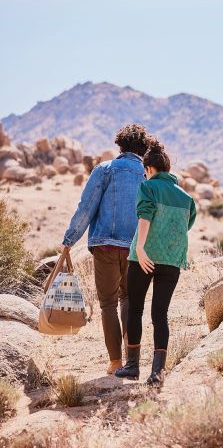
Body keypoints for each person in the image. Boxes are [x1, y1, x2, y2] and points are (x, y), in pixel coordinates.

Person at [61, 124, 150, 375]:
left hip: (105, 246)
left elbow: (86, 207)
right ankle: (132, 361)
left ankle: (115, 362)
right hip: (136, 249)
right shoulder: (146, 174)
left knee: (108, 304)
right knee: (129, 301)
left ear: (119, 146)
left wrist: (70, 239)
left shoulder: (105, 170)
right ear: (143, 150)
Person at [115, 140, 196, 386]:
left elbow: (145, 216)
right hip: (171, 260)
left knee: (135, 309)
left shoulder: (147, 187)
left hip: (144, 257)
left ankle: (132, 367)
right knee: (160, 315)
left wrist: (140, 248)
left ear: (149, 169)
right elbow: (186, 226)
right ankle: (157, 373)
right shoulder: (187, 197)